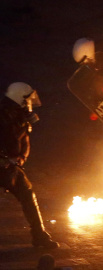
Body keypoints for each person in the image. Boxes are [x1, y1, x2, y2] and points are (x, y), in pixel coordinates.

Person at [0, 82, 59, 249]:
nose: (29, 103)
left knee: (28, 195)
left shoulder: (20, 115)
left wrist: (21, 158)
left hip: (12, 166)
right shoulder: (3, 115)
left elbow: (25, 141)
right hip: (2, 164)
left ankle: (39, 236)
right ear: (19, 97)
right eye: (27, 99)